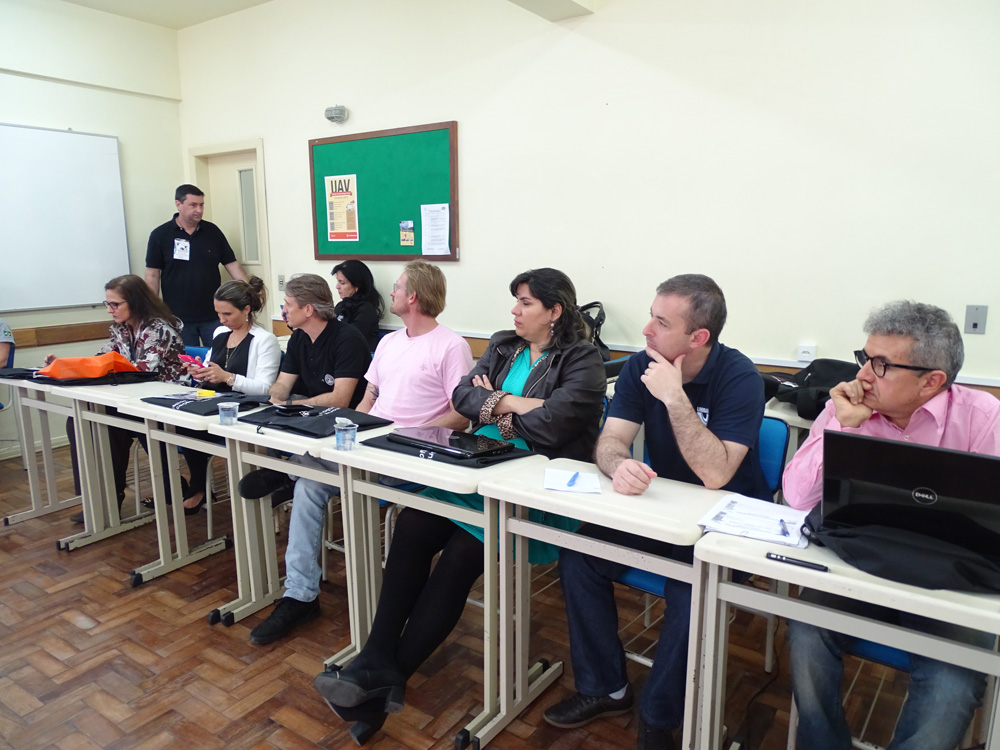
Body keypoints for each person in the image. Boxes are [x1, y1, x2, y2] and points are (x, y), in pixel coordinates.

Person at [312, 268, 607, 745]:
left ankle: (385, 676)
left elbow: (556, 427)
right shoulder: (504, 344)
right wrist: (516, 405)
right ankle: (375, 658)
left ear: (554, 311)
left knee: (458, 558)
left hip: (535, 483)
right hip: (474, 464)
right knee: (411, 527)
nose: (514, 311)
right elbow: (463, 398)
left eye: (526, 303)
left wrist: (495, 402)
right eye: (515, 301)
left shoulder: (583, 359)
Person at [543, 274, 769, 750]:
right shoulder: (640, 366)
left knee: (693, 591)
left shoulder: (740, 377)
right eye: (651, 316)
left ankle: (659, 716)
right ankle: (606, 688)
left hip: (725, 521)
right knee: (579, 556)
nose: (646, 330)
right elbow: (611, 439)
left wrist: (675, 397)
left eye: (662, 323)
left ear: (698, 337)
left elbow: (715, 474)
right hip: (663, 508)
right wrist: (618, 464)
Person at [782, 301, 999, 750]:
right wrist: (843, 428)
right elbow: (797, 497)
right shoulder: (848, 407)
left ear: (931, 381)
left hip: (953, 582)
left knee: (952, 684)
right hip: (862, 563)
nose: (862, 374)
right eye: (864, 358)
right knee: (806, 628)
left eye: (880, 365)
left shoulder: (983, 418)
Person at [240, 260, 473, 648]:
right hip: (370, 441)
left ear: (413, 297)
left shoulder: (452, 346)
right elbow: (369, 397)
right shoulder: (390, 342)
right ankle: (300, 595)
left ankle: (288, 471)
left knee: (309, 473)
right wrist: (353, 428)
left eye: (398, 286)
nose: (392, 291)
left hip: (410, 453)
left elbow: (461, 414)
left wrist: (410, 435)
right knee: (310, 485)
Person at [44, 275, 186, 523]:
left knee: (106, 424)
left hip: (165, 402)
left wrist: (107, 369)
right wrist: (64, 365)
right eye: (107, 303)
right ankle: (99, 496)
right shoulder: (121, 329)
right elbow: (101, 360)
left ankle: (114, 497)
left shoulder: (158, 330)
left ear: (135, 301)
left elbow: (141, 371)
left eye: (115, 304)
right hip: (133, 400)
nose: (110, 310)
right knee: (79, 420)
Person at [175, 276, 281, 515]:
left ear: (246, 309)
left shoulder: (264, 340)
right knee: (181, 423)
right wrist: (200, 371)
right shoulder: (221, 332)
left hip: (245, 407)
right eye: (218, 313)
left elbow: (264, 389)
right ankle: (198, 484)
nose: (222, 319)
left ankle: (199, 487)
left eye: (227, 314)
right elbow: (211, 367)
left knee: (190, 427)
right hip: (214, 400)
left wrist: (228, 378)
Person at [145, 184, 248, 347]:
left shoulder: (212, 232)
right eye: (193, 205)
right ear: (178, 204)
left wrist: (249, 292)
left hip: (214, 314)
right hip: (177, 317)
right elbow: (152, 274)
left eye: (201, 205)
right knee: (186, 360)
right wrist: (152, 309)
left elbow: (231, 264)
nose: (199, 210)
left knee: (219, 356)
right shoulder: (160, 235)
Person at [332, 259, 385, 350]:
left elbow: (350, 339)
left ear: (357, 286)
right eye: (338, 282)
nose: (337, 286)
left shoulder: (366, 309)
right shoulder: (340, 306)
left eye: (342, 283)